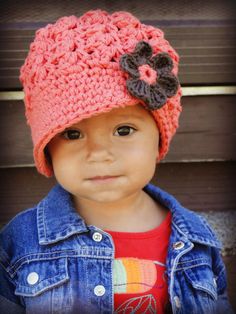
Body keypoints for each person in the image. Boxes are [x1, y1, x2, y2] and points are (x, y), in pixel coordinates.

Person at [0, 9, 234, 314]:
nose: (99, 152)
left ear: (158, 139)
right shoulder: (19, 243)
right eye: (72, 134)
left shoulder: (198, 239)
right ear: (47, 147)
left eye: (124, 130)